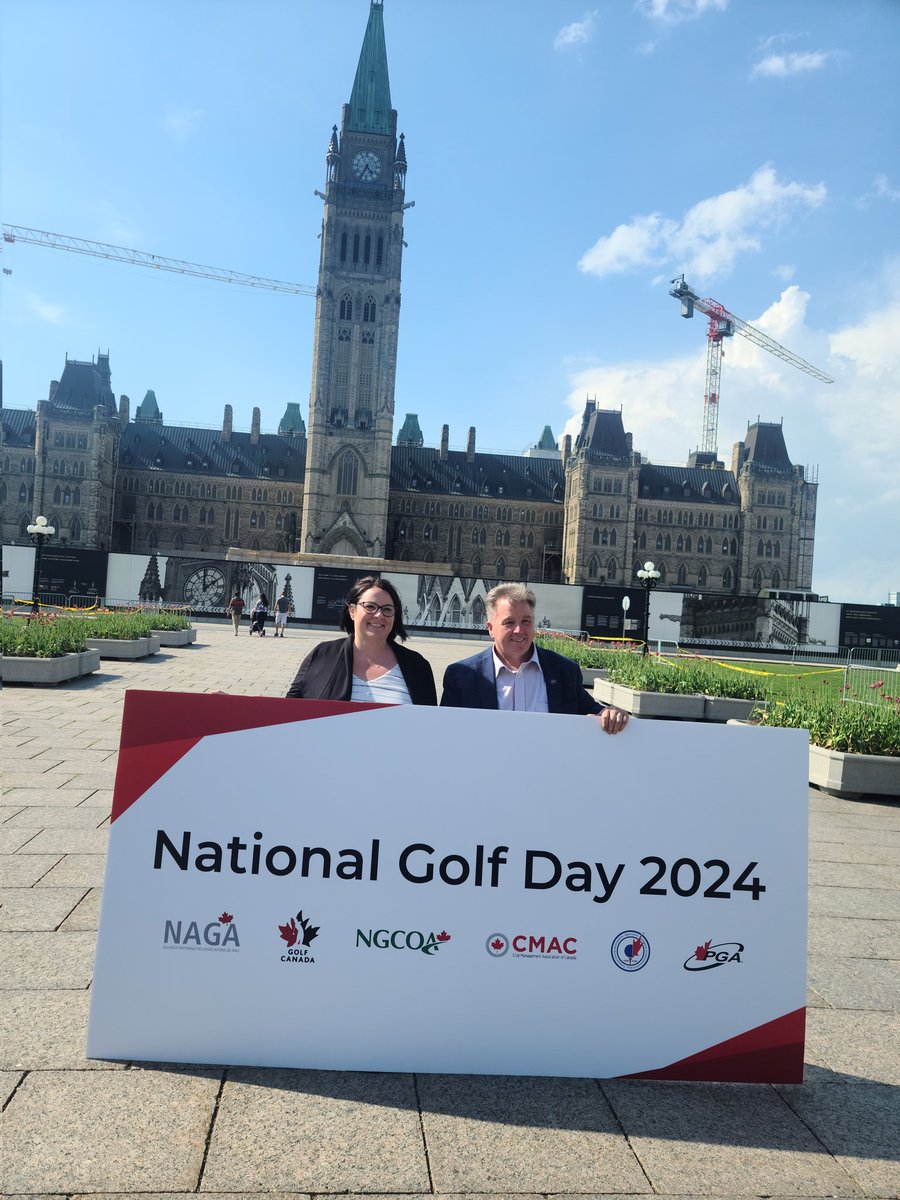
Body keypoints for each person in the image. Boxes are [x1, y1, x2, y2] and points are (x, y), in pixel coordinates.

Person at [441, 582, 629, 733]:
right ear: (490, 628)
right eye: (509, 622)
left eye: (526, 621)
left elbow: (593, 711)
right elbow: (445, 732)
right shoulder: (461, 676)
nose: (519, 630)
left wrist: (611, 714)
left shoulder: (564, 672)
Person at [287, 576, 437, 705]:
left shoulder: (418, 666)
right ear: (352, 611)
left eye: (387, 609)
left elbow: (430, 725)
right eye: (370, 607)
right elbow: (290, 710)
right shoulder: (322, 655)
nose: (379, 615)